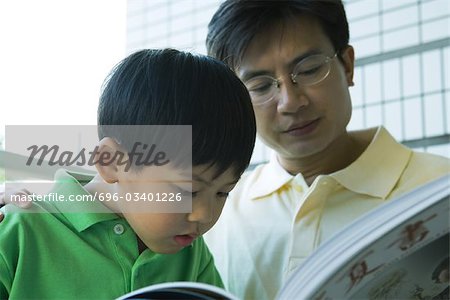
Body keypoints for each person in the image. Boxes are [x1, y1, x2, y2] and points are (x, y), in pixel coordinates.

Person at [202, 0, 450, 299]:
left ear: (347, 65)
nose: (291, 102)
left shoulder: (439, 187)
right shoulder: (215, 212)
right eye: (260, 86)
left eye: (309, 69)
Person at [0, 48, 256, 299]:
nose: (205, 214)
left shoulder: (190, 252)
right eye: (187, 190)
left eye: (223, 192)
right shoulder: (18, 233)